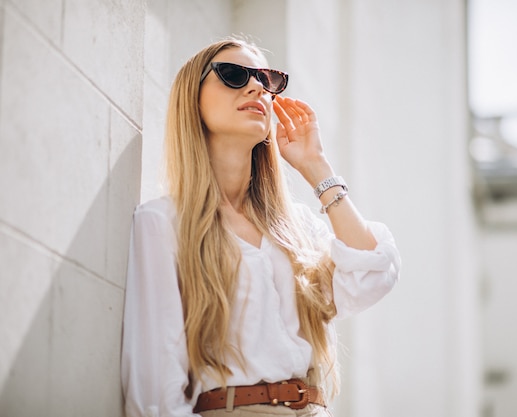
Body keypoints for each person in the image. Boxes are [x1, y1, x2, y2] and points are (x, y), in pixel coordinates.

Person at [121, 38, 400, 417]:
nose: (256, 87)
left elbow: (373, 275)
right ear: (193, 100)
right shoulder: (163, 223)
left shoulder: (296, 228)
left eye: (267, 80)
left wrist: (316, 166)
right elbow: (154, 389)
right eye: (233, 75)